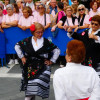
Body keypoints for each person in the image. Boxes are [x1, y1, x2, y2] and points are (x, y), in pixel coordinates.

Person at [15, 23, 60, 100]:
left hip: (43, 67)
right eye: (38, 32)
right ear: (33, 32)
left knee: (33, 87)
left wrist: (52, 61)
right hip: (29, 67)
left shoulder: (46, 42)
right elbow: (17, 46)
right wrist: (22, 57)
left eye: (42, 32)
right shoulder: (27, 40)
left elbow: (57, 50)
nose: (40, 34)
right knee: (31, 89)